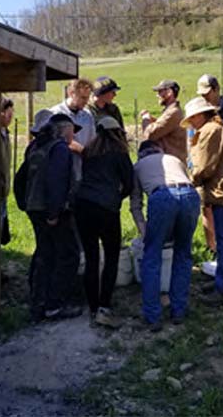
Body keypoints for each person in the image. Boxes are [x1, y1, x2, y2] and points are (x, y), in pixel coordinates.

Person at [129, 140, 201, 332]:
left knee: (152, 257)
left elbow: (135, 204)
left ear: (141, 154)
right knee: (183, 253)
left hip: (162, 196)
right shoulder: (173, 158)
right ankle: (179, 310)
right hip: (190, 194)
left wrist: (144, 230)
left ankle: (152, 316)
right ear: (159, 150)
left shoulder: (137, 167)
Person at [19, 113, 84, 321]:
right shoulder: (59, 149)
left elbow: (20, 178)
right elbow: (57, 181)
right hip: (51, 210)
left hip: (34, 207)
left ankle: (37, 303)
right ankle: (55, 304)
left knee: (45, 254)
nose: (73, 136)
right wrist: (54, 212)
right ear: (65, 129)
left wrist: (25, 204)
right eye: (73, 131)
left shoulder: (36, 146)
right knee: (68, 254)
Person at [75, 117, 134, 328]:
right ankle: (104, 306)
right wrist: (117, 197)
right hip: (106, 208)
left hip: (82, 204)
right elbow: (129, 183)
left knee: (91, 257)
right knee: (111, 257)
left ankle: (92, 307)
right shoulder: (119, 153)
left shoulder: (89, 152)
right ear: (117, 132)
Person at [182, 97, 223, 305]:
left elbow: (204, 167)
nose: (191, 124)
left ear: (199, 115)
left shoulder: (209, 131)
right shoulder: (222, 126)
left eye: (192, 120)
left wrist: (187, 179)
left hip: (222, 193)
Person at [140, 79, 187, 162]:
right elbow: (163, 127)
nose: (157, 95)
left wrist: (146, 119)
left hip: (172, 164)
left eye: (160, 92)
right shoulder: (171, 111)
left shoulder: (172, 113)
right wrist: (153, 120)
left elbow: (150, 134)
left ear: (169, 92)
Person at [50, 78, 96, 158]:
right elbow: (58, 139)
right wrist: (82, 151)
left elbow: (92, 140)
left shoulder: (87, 116)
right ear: (71, 93)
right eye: (83, 98)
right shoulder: (55, 114)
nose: (86, 101)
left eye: (88, 98)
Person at [0, 97, 15, 245]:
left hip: (3, 189)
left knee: (1, 223)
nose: (10, 118)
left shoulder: (5, 133)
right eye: (8, 115)